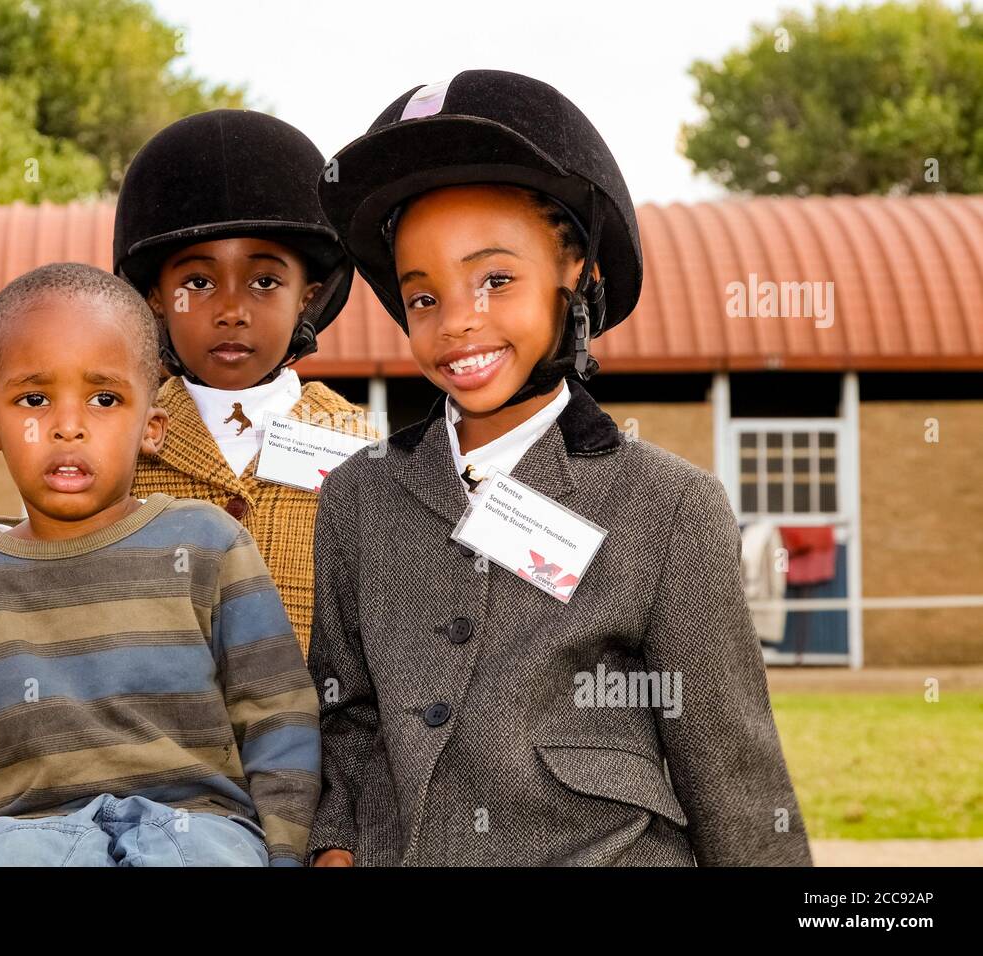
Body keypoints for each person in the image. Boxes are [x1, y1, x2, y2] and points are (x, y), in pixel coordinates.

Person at [305, 71, 812, 866]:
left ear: (575, 273)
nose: (458, 320)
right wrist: (337, 842)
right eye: (424, 296)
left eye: (495, 280)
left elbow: (732, 769)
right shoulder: (359, 496)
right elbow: (349, 714)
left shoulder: (669, 505)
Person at [0, 263, 319, 867]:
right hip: (28, 843)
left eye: (105, 399)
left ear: (151, 427)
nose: (68, 427)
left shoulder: (209, 545)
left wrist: (289, 857)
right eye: (34, 399)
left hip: (196, 838)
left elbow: (279, 721)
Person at [118, 109, 377, 659]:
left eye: (264, 281)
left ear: (307, 295)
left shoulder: (364, 452)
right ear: (156, 298)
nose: (232, 310)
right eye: (198, 281)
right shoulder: (117, 445)